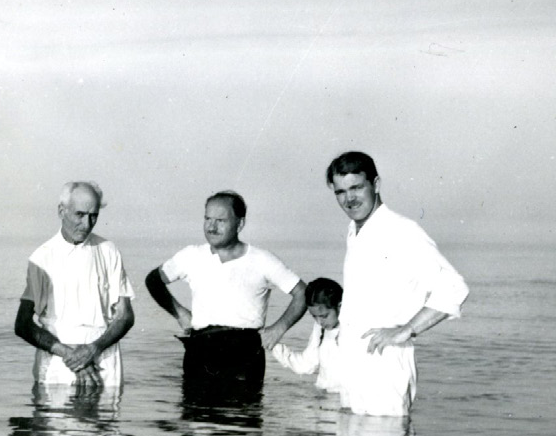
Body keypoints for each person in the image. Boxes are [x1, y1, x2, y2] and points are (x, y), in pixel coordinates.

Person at [327, 151, 469, 415]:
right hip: (353, 362)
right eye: (341, 191)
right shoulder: (355, 230)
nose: (349, 199)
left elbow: (454, 288)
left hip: (385, 363)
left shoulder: (400, 230)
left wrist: (406, 330)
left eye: (357, 187)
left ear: (376, 184)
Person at [145, 191, 307, 399]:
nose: (211, 227)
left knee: (241, 426)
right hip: (200, 348)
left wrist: (278, 328)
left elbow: (302, 293)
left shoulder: (262, 259)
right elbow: (153, 280)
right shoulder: (191, 255)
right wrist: (180, 314)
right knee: (196, 425)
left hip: (244, 354)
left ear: (240, 224)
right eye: (207, 219)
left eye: (220, 221)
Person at [15, 181, 136, 392]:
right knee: (53, 421)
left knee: (105, 422)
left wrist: (93, 349)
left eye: (93, 216)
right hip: (58, 362)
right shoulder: (42, 257)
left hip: (103, 358)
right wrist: (71, 356)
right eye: (80, 214)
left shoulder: (109, 251)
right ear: (61, 211)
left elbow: (125, 316)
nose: (87, 224)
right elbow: (23, 324)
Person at [271, 277, 346, 393]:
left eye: (324, 316)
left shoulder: (357, 329)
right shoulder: (320, 329)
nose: (319, 322)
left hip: (348, 403)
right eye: (314, 316)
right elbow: (306, 365)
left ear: (340, 306)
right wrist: (273, 344)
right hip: (323, 399)